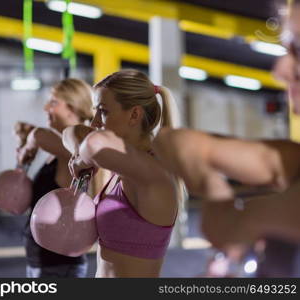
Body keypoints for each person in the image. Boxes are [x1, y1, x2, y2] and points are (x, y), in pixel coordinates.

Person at [152, 0, 300, 265]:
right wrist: (214, 190)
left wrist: (236, 217)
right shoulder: (290, 161)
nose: (281, 71)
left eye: (298, 48)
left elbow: (230, 225)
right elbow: (175, 142)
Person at [62, 69, 183, 278]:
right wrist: (80, 153)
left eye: (104, 111)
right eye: (95, 112)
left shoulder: (152, 172)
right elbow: (71, 133)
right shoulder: (124, 165)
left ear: (134, 114)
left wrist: (83, 159)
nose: (95, 122)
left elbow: (93, 144)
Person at [15, 78, 93, 278]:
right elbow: (21, 199)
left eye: (53, 102)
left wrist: (30, 142)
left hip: (58, 265)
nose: (46, 107)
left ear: (72, 108)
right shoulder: (58, 151)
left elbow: (40, 135)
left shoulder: (78, 151)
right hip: (42, 260)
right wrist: (24, 145)